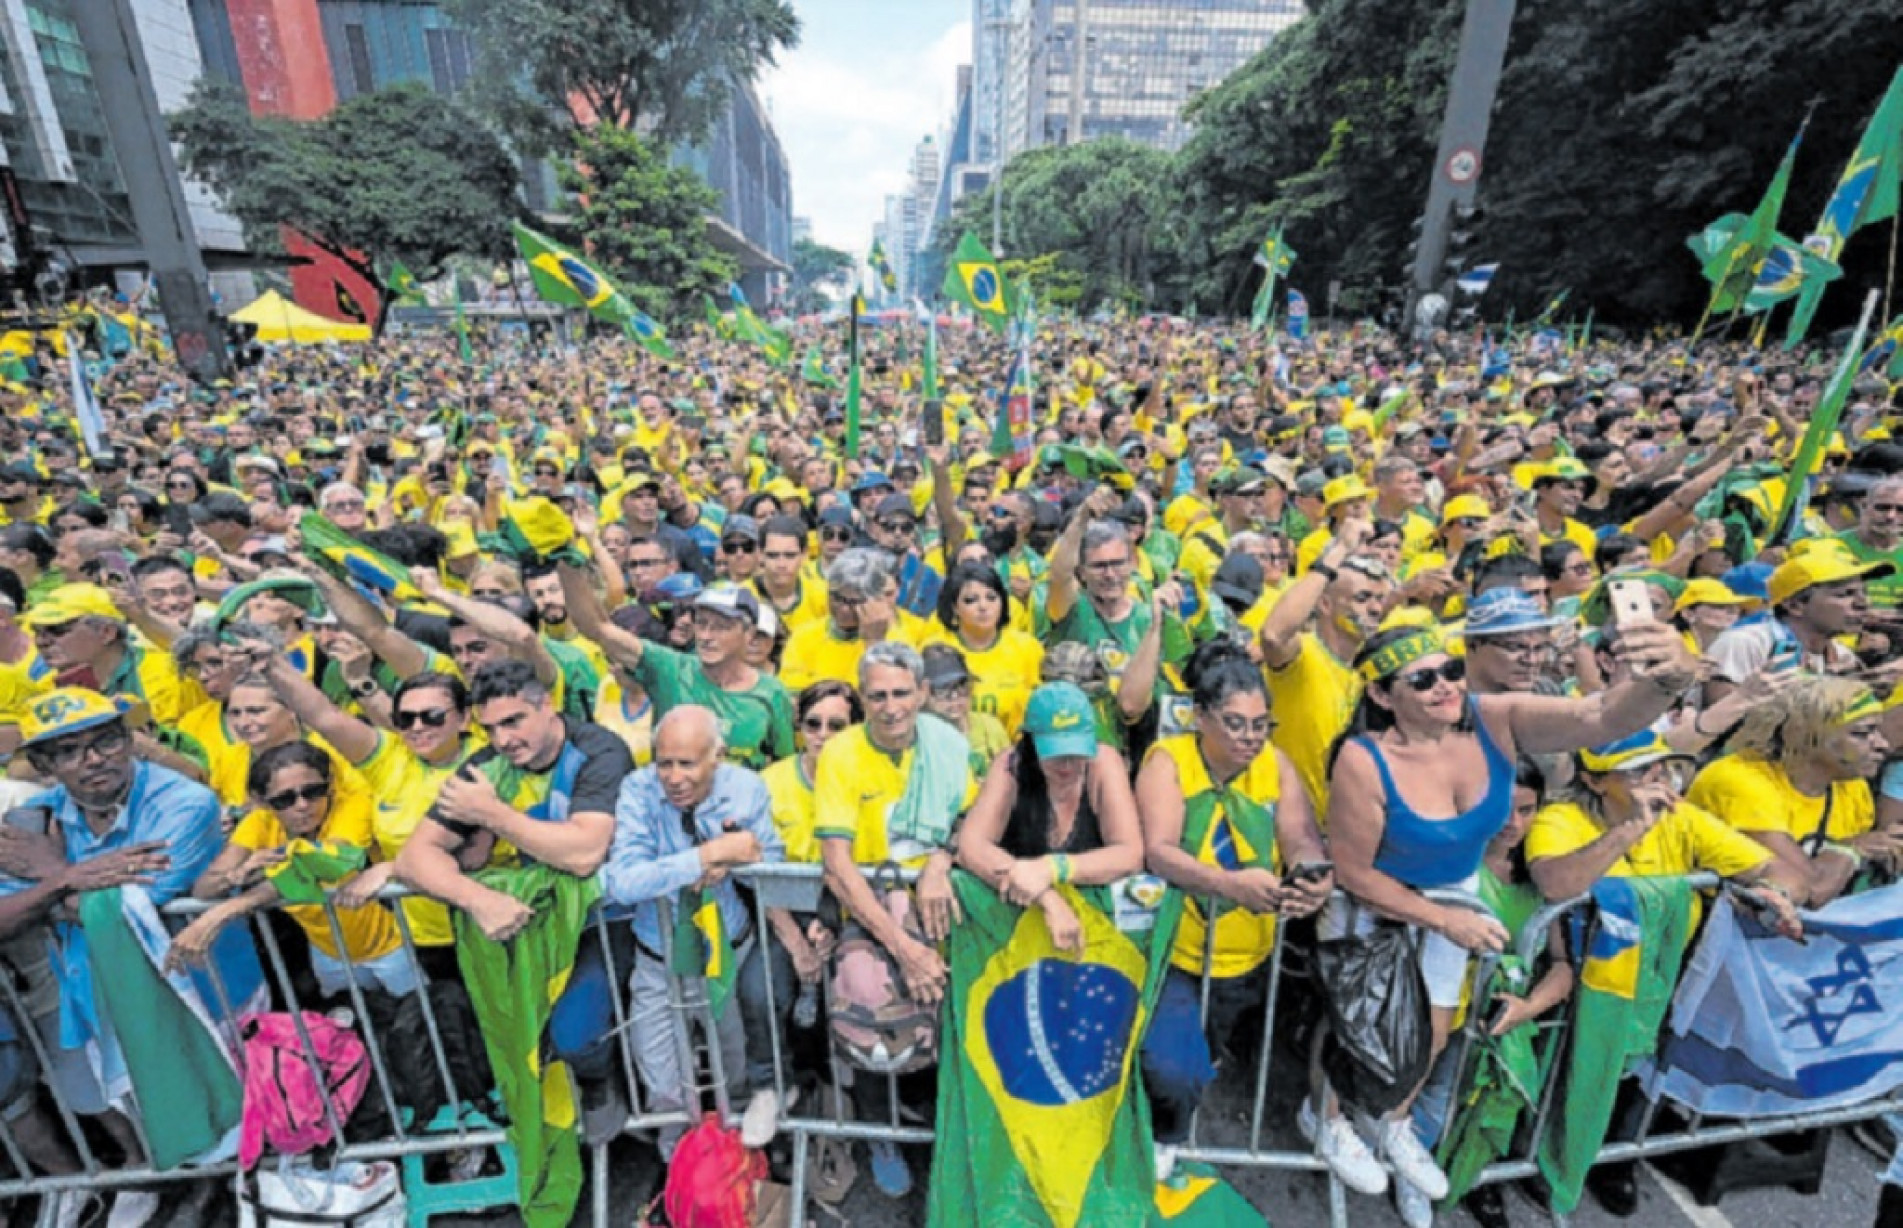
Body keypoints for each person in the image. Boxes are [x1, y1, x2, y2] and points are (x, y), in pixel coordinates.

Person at [1323, 615, 1698, 1202]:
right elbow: (1354, 872)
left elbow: (1599, 718)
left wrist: (1673, 676)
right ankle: (1328, 1120)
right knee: (1364, 1027)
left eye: (1449, 671)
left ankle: (1391, 1125)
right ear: (1381, 695)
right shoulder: (1362, 760)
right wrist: (1445, 920)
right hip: (1373, 905)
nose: (1446, 686)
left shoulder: (1493, 720)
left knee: (1432, 1036)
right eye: (1421, 682)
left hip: (1453, 898)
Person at [0, 689, 260, 1228]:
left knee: (231, 1096)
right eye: (69, 751)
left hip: (202, 986)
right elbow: (12, 907)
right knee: (141, 1099)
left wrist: (49, 878)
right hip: (98, 991)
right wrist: (70, 880)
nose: (93, 759)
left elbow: (134, 902)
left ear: (128, 740)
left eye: (105, 741)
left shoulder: (185, 802)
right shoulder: (34, 816)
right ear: (46, 765)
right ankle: (189, 1181)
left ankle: (235, 1191)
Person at [1134, 643, 1331, 1179]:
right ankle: (1163, 1133)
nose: (1250, 738)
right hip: (1176, 949)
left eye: (1261, 724)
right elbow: (1159, 850)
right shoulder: (1168, 761)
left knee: (1207, 1053)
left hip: (1246, 957)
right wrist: (1226, 884)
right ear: (1199, 717)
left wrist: (1314, 875)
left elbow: (1299, 838)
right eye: (1235, 724)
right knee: (1172, 1063)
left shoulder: (1276, 763)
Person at [598, 705, 803, 1154]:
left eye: (687, 763)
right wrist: (703, 857)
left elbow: (771, 866)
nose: (672, 777)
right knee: (664, 1087)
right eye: (664, 762)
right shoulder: (637, 789)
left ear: (719, 756)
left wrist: (737, 857)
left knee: (737, 1080)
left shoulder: (747, 788)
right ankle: (681, 1178)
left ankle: (739, 1179)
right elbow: (622, 882)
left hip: (727, 954)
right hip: (658, 961)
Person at [814, 641, 976, 1197]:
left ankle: (948, 1131)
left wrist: (939, 858)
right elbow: (837, 863)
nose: (890, 706)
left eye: (902, 693)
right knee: (870, 1009)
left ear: (923, 693)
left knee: (953, 1011)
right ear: (863, 699)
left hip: (939, 900)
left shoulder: (948, 745)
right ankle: (880, 1132)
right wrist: (904, 948)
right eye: (877, 695)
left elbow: (971, 820)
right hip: (869, 907)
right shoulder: (840, 755)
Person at [167, 741, 415, 1000]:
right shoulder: (259, 822)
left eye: (313, 791)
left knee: (418, 1022)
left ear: (329, 785)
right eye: (285, 799)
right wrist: (237, 874)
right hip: (327, 952)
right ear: (263, 802)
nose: (302, 805)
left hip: (393, 945)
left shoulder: (351, 805)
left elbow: (319, 863)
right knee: (350, 1027)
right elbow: (205, 887)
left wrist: (221, 912)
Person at [1687, 676, 1901, 907]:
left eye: (1877, 731)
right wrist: (1851, 849)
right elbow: (1811, 891)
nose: (1882, 744)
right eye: (1861, 733)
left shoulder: (1850, 785)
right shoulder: (1738, 781)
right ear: (1804, 736)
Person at [559, 564, 795, 769]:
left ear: (749, 634)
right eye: (701, 624)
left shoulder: (772, 694)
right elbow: (598, 629)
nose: (706, 636)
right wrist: (563, 560)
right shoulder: (669, 668)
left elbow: (783, 767)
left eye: (721, 627)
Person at [921, 561, 1045, 738]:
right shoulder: (936, 650)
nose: (983, 607)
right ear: (954, 607)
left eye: (991, 597)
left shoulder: (1028, 648)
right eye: (971, 600)